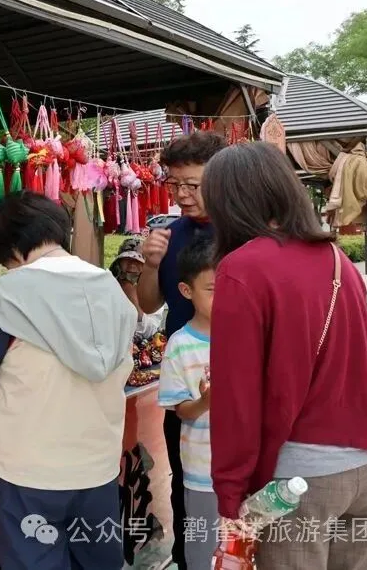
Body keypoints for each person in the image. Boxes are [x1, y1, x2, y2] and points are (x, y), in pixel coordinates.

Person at [203, 142, 367, 569]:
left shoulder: (242, 269)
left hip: (298, 485)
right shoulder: (336, 258)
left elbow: (236, 396)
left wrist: (230, 494)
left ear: (227, 202)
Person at [0, 191, 137, 570]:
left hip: (28, 473)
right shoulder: (111, 288)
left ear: (12, 247)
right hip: (97, 468)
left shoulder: (10, 294)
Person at [138, 130, 225, 569]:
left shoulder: (242, 232)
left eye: (193, 184)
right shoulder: (169, 234)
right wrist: (151, 263)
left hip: (238, 375)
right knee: (186, 482)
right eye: (175, 184)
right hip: (187, 377)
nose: (182, 195)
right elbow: (149, 303)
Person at [156, 237, 216, 569]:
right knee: (203, 550)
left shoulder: (246, 334)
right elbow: (182, 411)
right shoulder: (179, 346)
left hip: (245, 468)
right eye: (212, 290)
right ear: (186, 290)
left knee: (242, 548)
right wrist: (206, 400)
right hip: (203, 471)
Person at [109, 237, 164, 338]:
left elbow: (150, 331)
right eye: (127, 260)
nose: (131, 266)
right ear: (119, 263)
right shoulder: (109, 284)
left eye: (137, 261)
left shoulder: (154, 292)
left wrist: (131, 296)